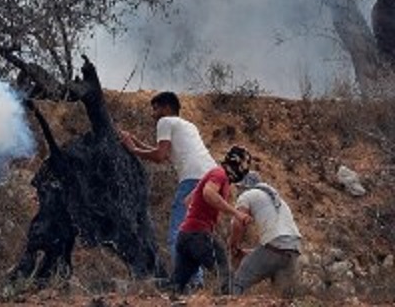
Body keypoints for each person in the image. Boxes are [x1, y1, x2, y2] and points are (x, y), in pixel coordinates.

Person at [119, 91, 217, 276]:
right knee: (195, 233)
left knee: (177, 234)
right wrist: (134, 142)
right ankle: (202, 281)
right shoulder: (188, 125)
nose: (153, 114)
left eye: (155, 109)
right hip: (212, 178)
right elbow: (164, 155)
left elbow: (159, 156)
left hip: (193, 179)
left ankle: (188, 281)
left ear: (166, 108)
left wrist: (132, 150)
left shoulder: (165, 122)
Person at [171, 145, 254, 294]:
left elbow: (188, 200)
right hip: (199, 234)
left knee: (178, 285)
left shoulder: (212, 174)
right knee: (225, 273)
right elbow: (208, 193)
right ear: (238, 165)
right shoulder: (220, 174)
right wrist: (237, 213)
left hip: (184, 235)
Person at [228, 171, 302, 296]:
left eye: (238, 187)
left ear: (243, 186)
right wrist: (253, 253)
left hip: (275, 246)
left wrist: (233, 246)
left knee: (238, 281)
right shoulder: (277, 200)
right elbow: (280, 243)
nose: (237, 191)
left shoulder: (247, 195)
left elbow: (237, 223)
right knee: (284, 299)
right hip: (293, 249)